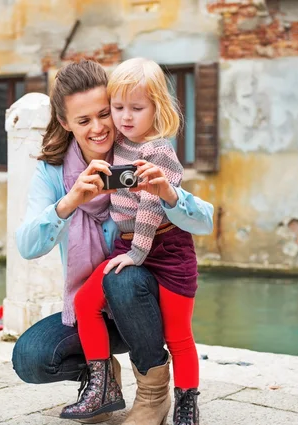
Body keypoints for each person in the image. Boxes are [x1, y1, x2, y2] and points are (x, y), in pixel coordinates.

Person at [13, 59, 214, 425]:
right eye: (83, 120)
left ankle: (154, 393)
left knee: (122, 277)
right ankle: (103, 381)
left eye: (105, 113)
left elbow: (204, 221)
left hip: (140, 296)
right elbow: (27, 246)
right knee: (32, 357)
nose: (100, 127)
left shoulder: (141, 147)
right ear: (65, 123)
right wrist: (69, 202)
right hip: (92, 306)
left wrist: (170, 195)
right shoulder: (54, 171)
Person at [61, 58, 202, 425]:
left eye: (136, 108)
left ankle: (186, 403)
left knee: (178, 334)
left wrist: (138, 252)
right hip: (129, 243)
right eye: (118, 107)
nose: (124, 117)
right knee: (86, 301)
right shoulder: (119, 141)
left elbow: (152, 208)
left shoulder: (158, 153)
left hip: (166, 250)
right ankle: (101, 384)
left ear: (157, 108)